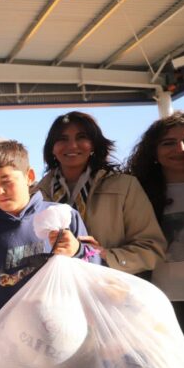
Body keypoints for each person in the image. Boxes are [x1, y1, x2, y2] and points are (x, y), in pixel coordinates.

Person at [0, 141, 95, 322]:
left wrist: (77, 250)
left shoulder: (63, 215)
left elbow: (94, 269)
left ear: (29, 176)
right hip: (9, 334)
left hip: (65, 327)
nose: (0, 191)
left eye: (6, 181)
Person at [35, 111, 166, 275]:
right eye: (62, 139)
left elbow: (152, 249)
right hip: (54, 290)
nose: (72, 145)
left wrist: (101, 256)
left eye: (81, 137)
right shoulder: (35, 195)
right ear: (52, 148)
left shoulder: (124, 186)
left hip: (110, 291)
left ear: (94, 145)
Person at [125, 111, 184, 337]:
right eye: (169, 143)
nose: (180, 149)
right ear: (154, 151)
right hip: (158, 303)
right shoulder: (135, 193)